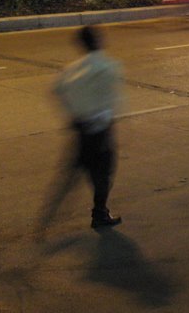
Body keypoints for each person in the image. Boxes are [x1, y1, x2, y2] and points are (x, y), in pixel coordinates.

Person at [42, 26, 124, 232]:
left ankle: (47, 218)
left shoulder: (72, 68)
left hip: (81, 129)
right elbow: (113, 100)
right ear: (99, 41)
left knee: (70, 175)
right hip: (100, 131)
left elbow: (55, 90)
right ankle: (100, 214)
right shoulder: (108, 66)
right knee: (103, 175)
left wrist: (71, 113)